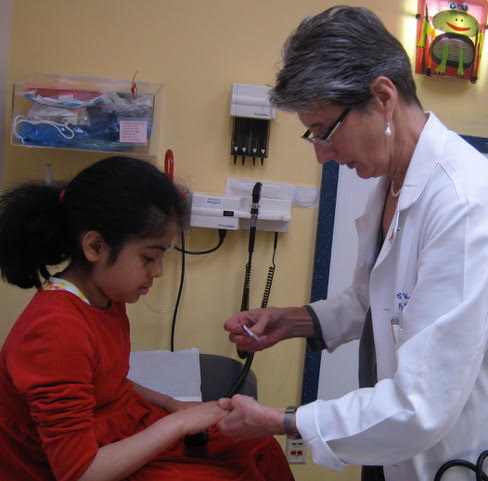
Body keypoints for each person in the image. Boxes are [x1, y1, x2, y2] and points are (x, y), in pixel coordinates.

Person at [216, 5, 488, 481]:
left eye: (325, 131)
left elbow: (422, 404)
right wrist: (293, 321)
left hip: (444, 459)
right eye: (312, 135)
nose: (322, 154)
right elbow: (375, 303)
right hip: (386, 447)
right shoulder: (391, 185)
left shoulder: (465, 204)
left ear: (382, 97)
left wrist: (282, 421)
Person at [0, 156, 294, 481]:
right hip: (85, 463)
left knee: (257, 444)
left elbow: (106, 380)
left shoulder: (105, 298)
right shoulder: (54, 330)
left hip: (121, 429)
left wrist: (171, 404)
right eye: (149, 257)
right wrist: (179, 423)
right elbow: (80, 471)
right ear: (95, 246)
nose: (157, 272)